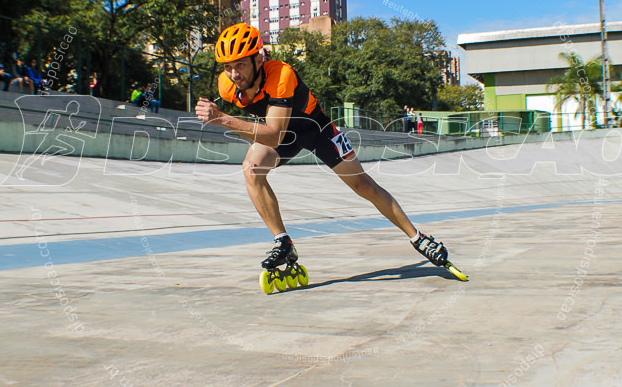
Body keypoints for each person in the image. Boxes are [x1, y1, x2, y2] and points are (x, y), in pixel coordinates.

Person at [194, 23, 452, 275]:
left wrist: (222, 119)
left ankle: (418, 238)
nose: (234, 75)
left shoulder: (282, 75)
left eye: (240, 65)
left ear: (258, 59)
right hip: (282, 133)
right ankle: (283, 242)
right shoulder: (225, 85)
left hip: (316, 129)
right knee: (251, 168)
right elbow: (272, 130)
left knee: (363, 185)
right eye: (228, 67)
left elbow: (273, 135)